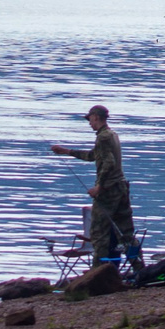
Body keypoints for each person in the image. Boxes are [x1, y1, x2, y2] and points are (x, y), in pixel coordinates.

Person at [49, 103, 142, 270]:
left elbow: (108, 163)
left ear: (96, 117)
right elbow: (93, 156)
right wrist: (66, 151)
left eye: (89, 119)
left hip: (108, 190)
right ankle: (140, 268)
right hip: (121, 188)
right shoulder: (112, 135)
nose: (89, 123)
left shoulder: (103, 137)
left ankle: (98, 273)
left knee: (99, 234)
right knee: (126, 233)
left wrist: (99, 187)